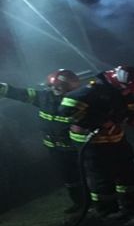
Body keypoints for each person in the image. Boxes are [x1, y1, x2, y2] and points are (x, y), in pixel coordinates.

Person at [58, 64, 134, 218]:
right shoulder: (90, 91)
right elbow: (67, 110)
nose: (128, 92)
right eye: (127, 89)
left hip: (116, 140)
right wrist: (100, 122)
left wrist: (133, 118)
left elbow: (130, 105)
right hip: (93, 145)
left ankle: (133, 206)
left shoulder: (121, 90)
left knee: (127, 173)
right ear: (117, 82)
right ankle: (107, 211)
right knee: (102, 179)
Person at [0, 69, 87, 212]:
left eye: (58, 87)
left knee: (90, 174)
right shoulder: (44, 97)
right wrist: (3, 89)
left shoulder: (81, 101)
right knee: (69, 178)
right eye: (51, 87)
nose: (54, 90)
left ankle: (100, 202)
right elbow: (20, 94)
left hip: (76, 148)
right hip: (55, 148)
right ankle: (79, 203)